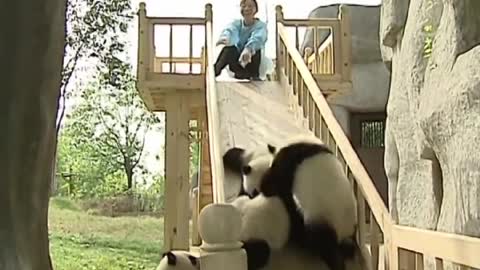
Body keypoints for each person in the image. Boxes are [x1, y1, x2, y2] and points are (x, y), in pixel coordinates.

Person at [214, 0, 268, 80]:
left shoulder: (260, 26)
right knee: (228, 49)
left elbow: (258, 38)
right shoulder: (237, 24)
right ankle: (214, 71)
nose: (246, 9)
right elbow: (231, 31)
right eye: (244, 6)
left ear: (255, 10)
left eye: (250, 6)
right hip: (238, 63)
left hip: (251, 63)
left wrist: (248, 49)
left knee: (256, 50)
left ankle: (253, 76)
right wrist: (226, 38)